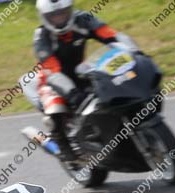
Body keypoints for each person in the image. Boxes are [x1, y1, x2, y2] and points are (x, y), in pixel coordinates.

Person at [33, 0, 137, 162]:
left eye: (64, 13)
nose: (60, 19)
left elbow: (111, 35)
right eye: (54, 16)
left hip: (82, 71)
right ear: (44, 17)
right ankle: (63, 146)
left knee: (114, 86)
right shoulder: (42, 36)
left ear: (70, 9)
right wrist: (72, 93)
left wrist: (135, 52)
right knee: (55, 106)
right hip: (52, 80)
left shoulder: (83, 19)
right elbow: (52, 70)